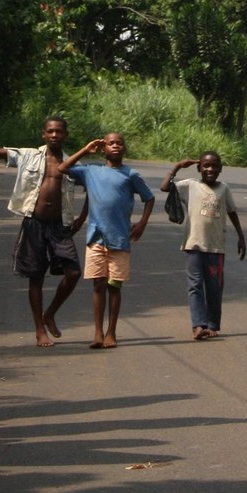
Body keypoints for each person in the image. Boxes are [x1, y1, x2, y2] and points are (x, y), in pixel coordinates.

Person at [0, 116, 87, 347]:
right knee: (36, 277)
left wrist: (81, 218)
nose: (54, 135)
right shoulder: (29, 155)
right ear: (43, 134)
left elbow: (94, 188)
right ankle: (39, 329)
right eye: (50, 131)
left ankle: (50, 313)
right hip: (34, 222)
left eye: (59, 131)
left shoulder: (76, 164)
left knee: (73, 272)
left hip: (60, 225)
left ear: (66, 135)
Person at [61, 132, 154, 349]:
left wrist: (142, 223)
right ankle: (97, 333)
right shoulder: (91, 171)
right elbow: (62, 168)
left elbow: (149, 198)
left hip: (120, 239)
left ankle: (112, 332)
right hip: (96, 238)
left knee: (114, 286)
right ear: (104, 148)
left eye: (119, 143)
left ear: (124, 148)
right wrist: (85, 149)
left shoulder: (130, 175)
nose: (115, 146)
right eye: (110, 143)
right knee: (98, 285)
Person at [160, 151, 246, 341]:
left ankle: (213, 324)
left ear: (220, 169)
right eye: (206, 165)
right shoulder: (190, 185)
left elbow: (231, 211)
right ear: (199, 168)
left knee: (214, 287)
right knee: (195, 285)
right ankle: (198, 325)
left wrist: (241, 236)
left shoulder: (224, 189)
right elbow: (165, 187)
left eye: (214, 166)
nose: (210, 169)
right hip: (193, 244)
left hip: (216, 247)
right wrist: (177, 167)